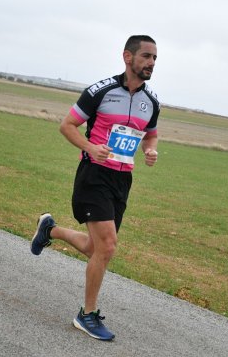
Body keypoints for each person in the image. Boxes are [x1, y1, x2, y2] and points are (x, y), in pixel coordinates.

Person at [30, 35, 160, 341]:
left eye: (155, 58)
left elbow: (151, 135)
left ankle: (50, 230)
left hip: (122, 180)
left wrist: (150, 151)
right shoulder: (100, 91)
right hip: (94, 175)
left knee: (95, 247)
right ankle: (86, 315)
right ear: (128, 57)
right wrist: (91, 146)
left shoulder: (151, 102)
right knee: (108, 247)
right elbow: (66, 126)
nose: (151, 63)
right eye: (146, 56)